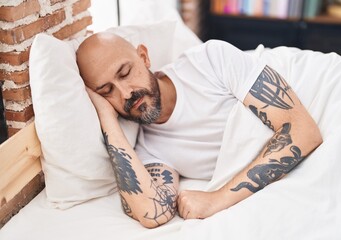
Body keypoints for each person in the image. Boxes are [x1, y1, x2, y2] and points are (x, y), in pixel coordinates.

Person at [76, 32, 322, 229]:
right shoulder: (150, 149)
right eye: (107, 91)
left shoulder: (209, 60)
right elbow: (152, 214)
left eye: (125, 73)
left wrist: (217, 199)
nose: (126, 93)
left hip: (329, 94)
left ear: (144, 57)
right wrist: (108, 120)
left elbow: (303, 130)